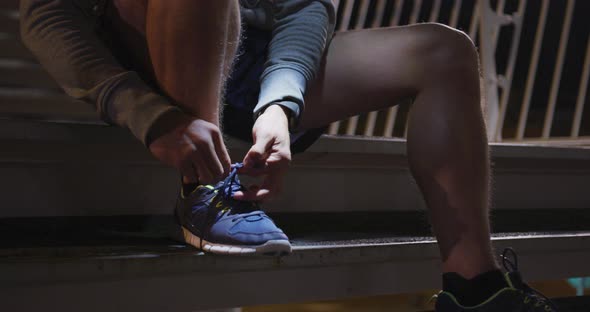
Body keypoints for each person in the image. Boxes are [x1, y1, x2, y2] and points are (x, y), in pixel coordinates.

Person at [20, 0, 558, 311]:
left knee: (445, 49)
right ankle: (207, 189)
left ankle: (476, 288)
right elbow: (48, 14)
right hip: (159, 46)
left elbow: (305, 7)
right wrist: (143, 111)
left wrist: (279, 104)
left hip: (261, 63)